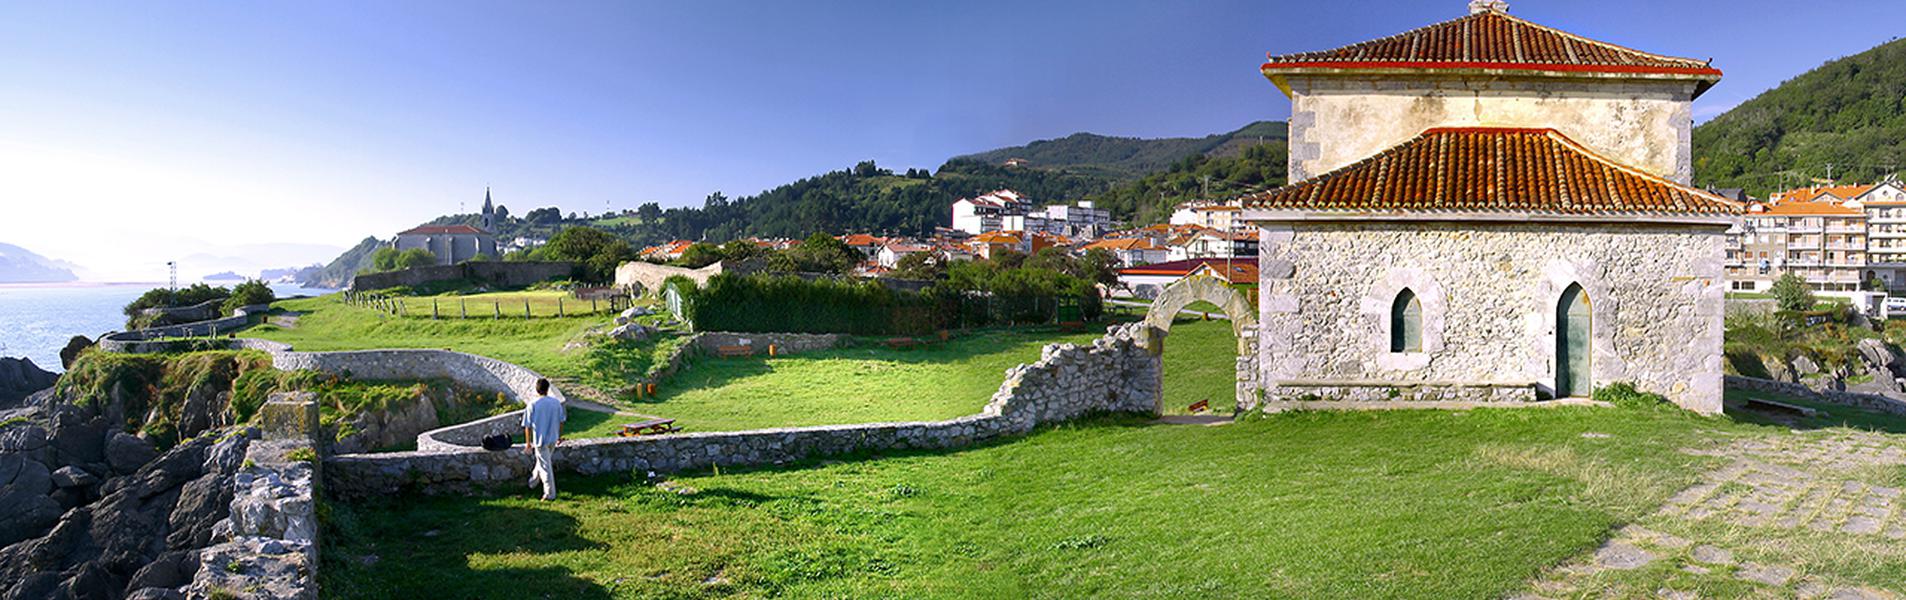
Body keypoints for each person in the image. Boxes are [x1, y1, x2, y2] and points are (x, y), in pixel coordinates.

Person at [522, 378, 566, 501]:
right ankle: (532, 483)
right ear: (548, 389)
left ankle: (549, 494)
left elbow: (527, 426)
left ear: (537, 389)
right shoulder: (556, 403)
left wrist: (528, 444)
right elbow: (561, 421)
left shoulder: (533, 404)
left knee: (545, 467)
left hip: (540, 441)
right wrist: (559, 436)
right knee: (542, 463)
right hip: (553, 438)